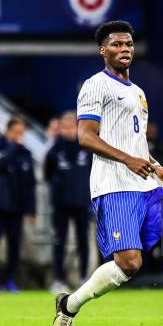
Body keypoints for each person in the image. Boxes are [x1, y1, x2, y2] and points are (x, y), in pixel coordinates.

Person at [52, 20, 163, 326]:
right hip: (114, 187)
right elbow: (85, 137)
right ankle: (69, 305)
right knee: (129, 265)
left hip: (147, 186)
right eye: (116, 45)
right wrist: (128, 160)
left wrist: (157, 167)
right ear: (103, 50)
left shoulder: (138, 92)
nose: (124, 50)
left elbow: (136, 146)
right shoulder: (95, 85)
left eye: (128, 44)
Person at [0, 117, 36, 293]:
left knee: (14, 246)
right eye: (16, 132)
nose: (19, 136)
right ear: (8, 131)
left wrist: (31, 209)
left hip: (17, 208)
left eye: (22, 133)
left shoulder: (26, 154)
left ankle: (9, 281)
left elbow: (30, 183)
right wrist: (13, 147)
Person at [44, 112, 91, 293]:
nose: (68, 131)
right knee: (59, 242)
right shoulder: (54, 150)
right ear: (59, 129)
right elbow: (47, 173)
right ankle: (59, 280)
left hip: (82, 203)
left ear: (77, 127)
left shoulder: (86, 147)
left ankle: (83, 277)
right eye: (64, 127)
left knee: (83, 242)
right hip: (60, 205)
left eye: (71, 126)